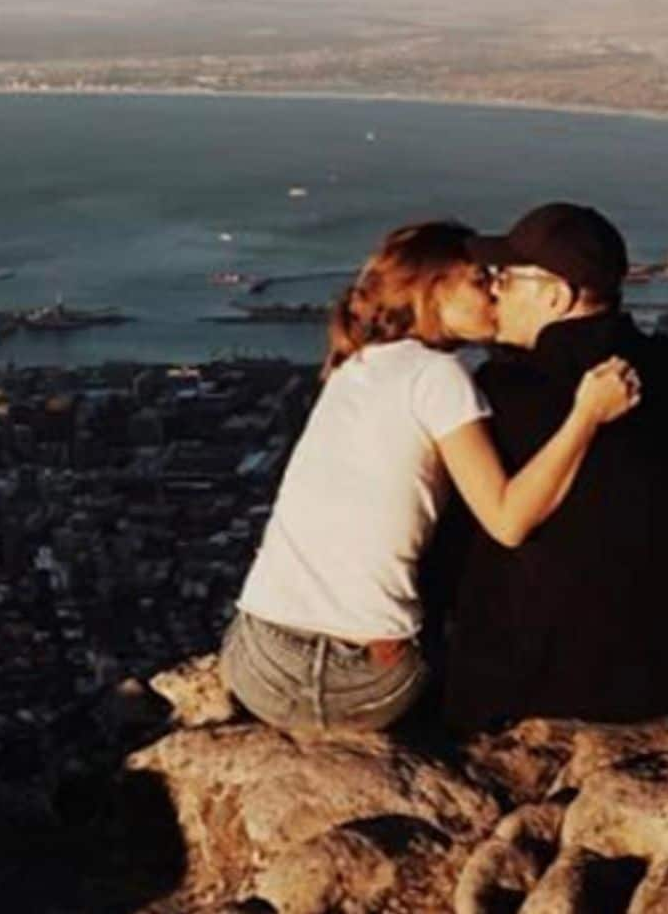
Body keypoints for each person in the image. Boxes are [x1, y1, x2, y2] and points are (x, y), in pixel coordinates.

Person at [221, 220, 642, 733]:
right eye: (479, 280)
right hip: (359, 685)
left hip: (254, 662)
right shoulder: (439, 377)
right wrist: (586, 416)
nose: (494, 290)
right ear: (432, 289)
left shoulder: (354, 366)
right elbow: (507, 519)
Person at [434, 202, 668, 731]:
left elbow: (478, 537)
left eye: (506, 277)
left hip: (554, 684)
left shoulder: (510, 391)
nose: (493, 289)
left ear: (556, 294)